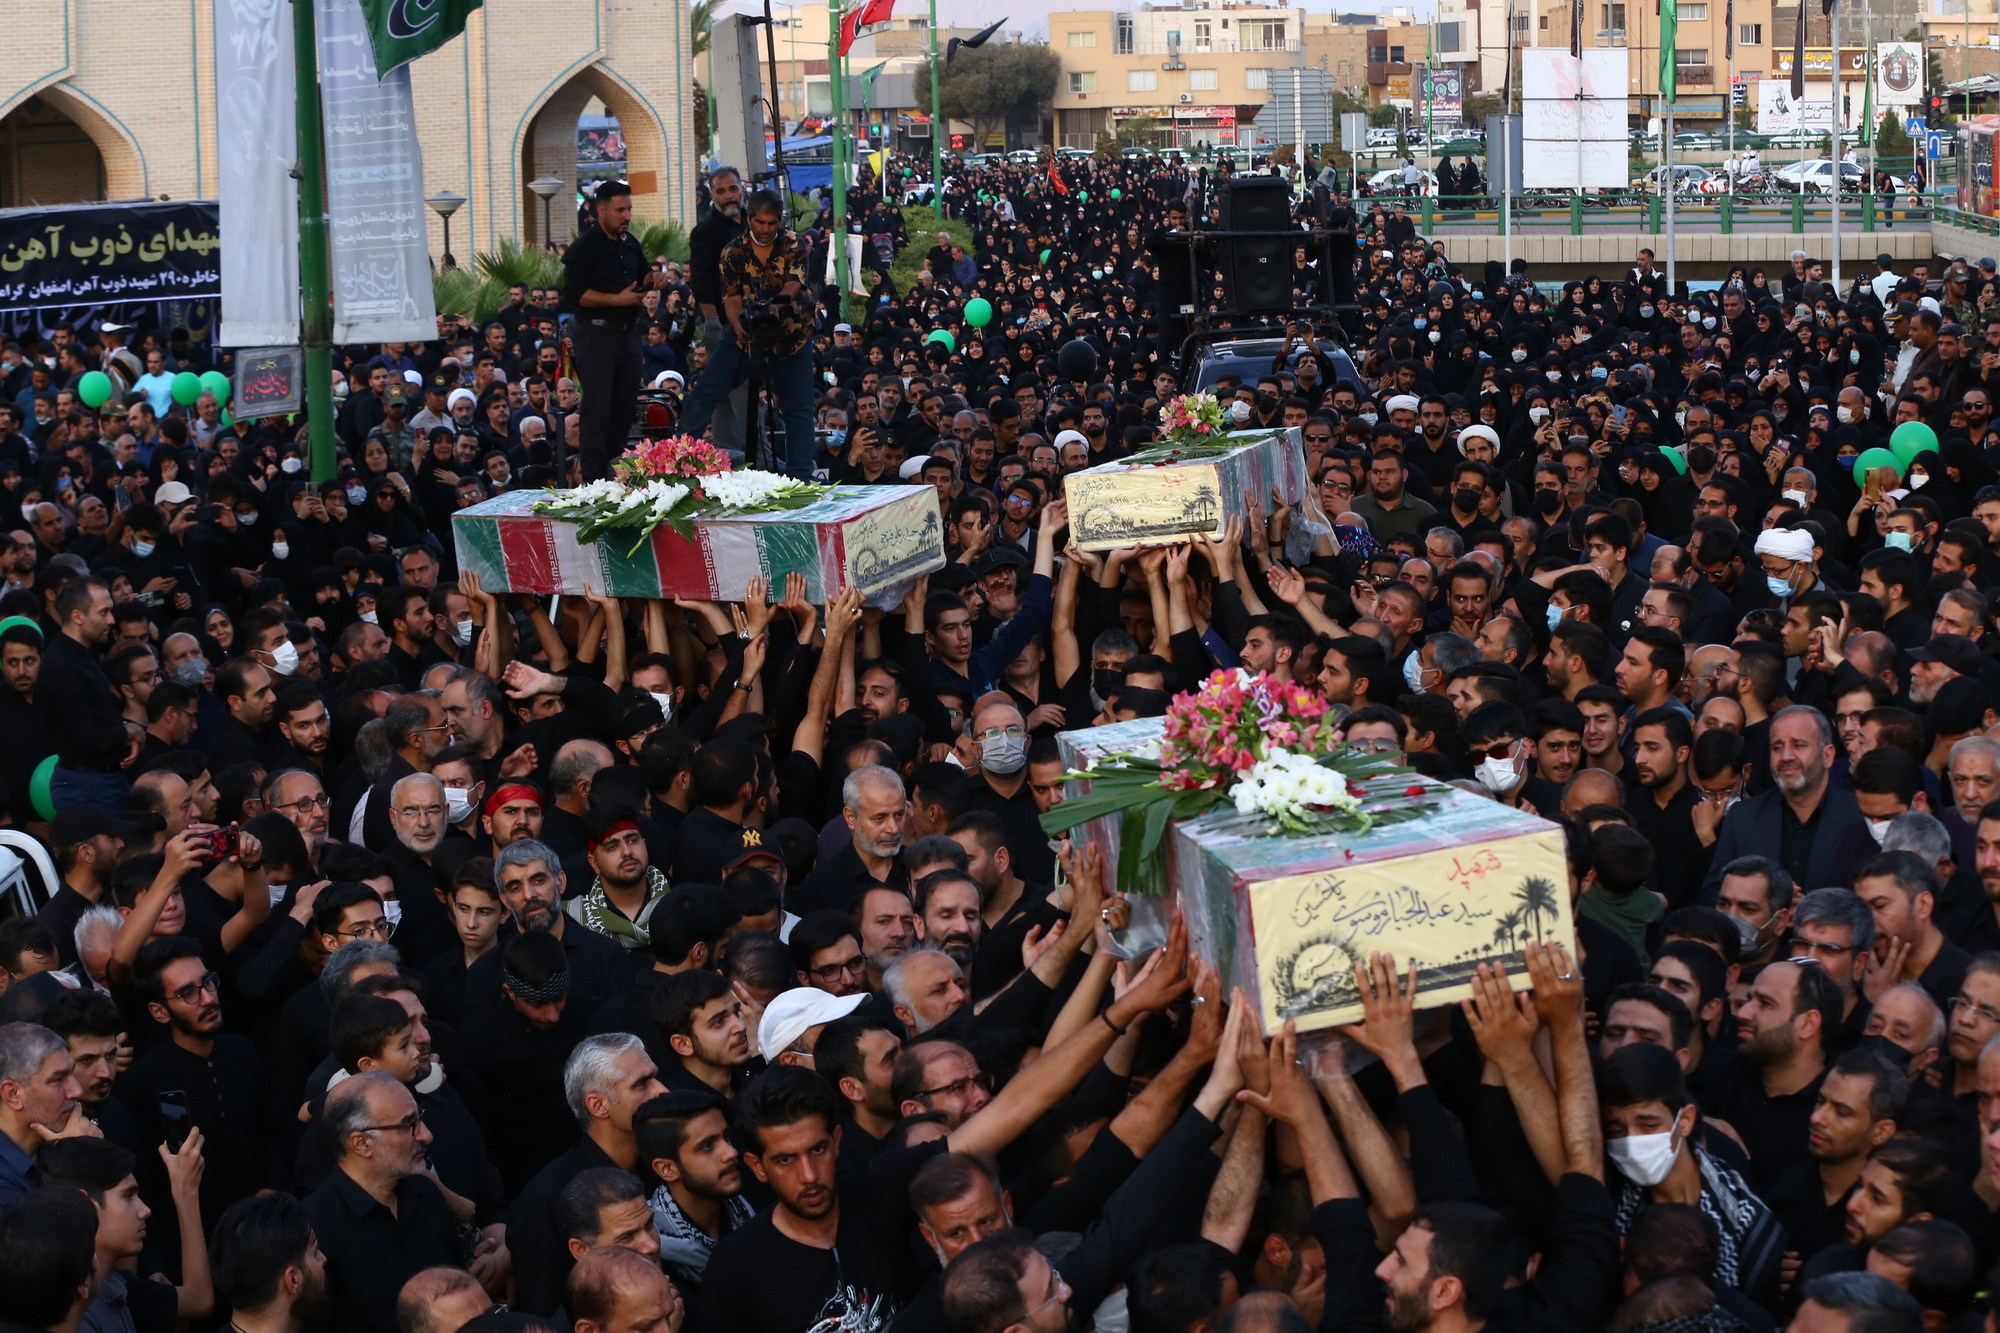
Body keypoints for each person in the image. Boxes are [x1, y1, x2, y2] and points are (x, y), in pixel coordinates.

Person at [675, 190, 820, 480]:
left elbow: (794, 282)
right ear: (749, 218)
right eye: (760, 222)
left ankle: (801, 480)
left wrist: (777, 305)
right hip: (745, 333)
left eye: (772, 223)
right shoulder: (732, 251)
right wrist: (737, 323)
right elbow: (730, 297)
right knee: (704, 394)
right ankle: (676, 465)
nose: (766, 229)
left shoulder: (793, 242)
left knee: (798, 409)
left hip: (791, 335)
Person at [561, 180, 663, 480]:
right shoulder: (583, 248)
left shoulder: (629, 242)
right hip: (596, 336)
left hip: (628, 334)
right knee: (598, 412)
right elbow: (574, 293)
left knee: (623, 410)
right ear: (601, 209)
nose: (626, 216)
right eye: (620, 210)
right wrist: (615, 299)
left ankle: (617, 476)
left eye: (629, 209)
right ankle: (593, 482)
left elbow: (644, 268)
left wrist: (653, 278)